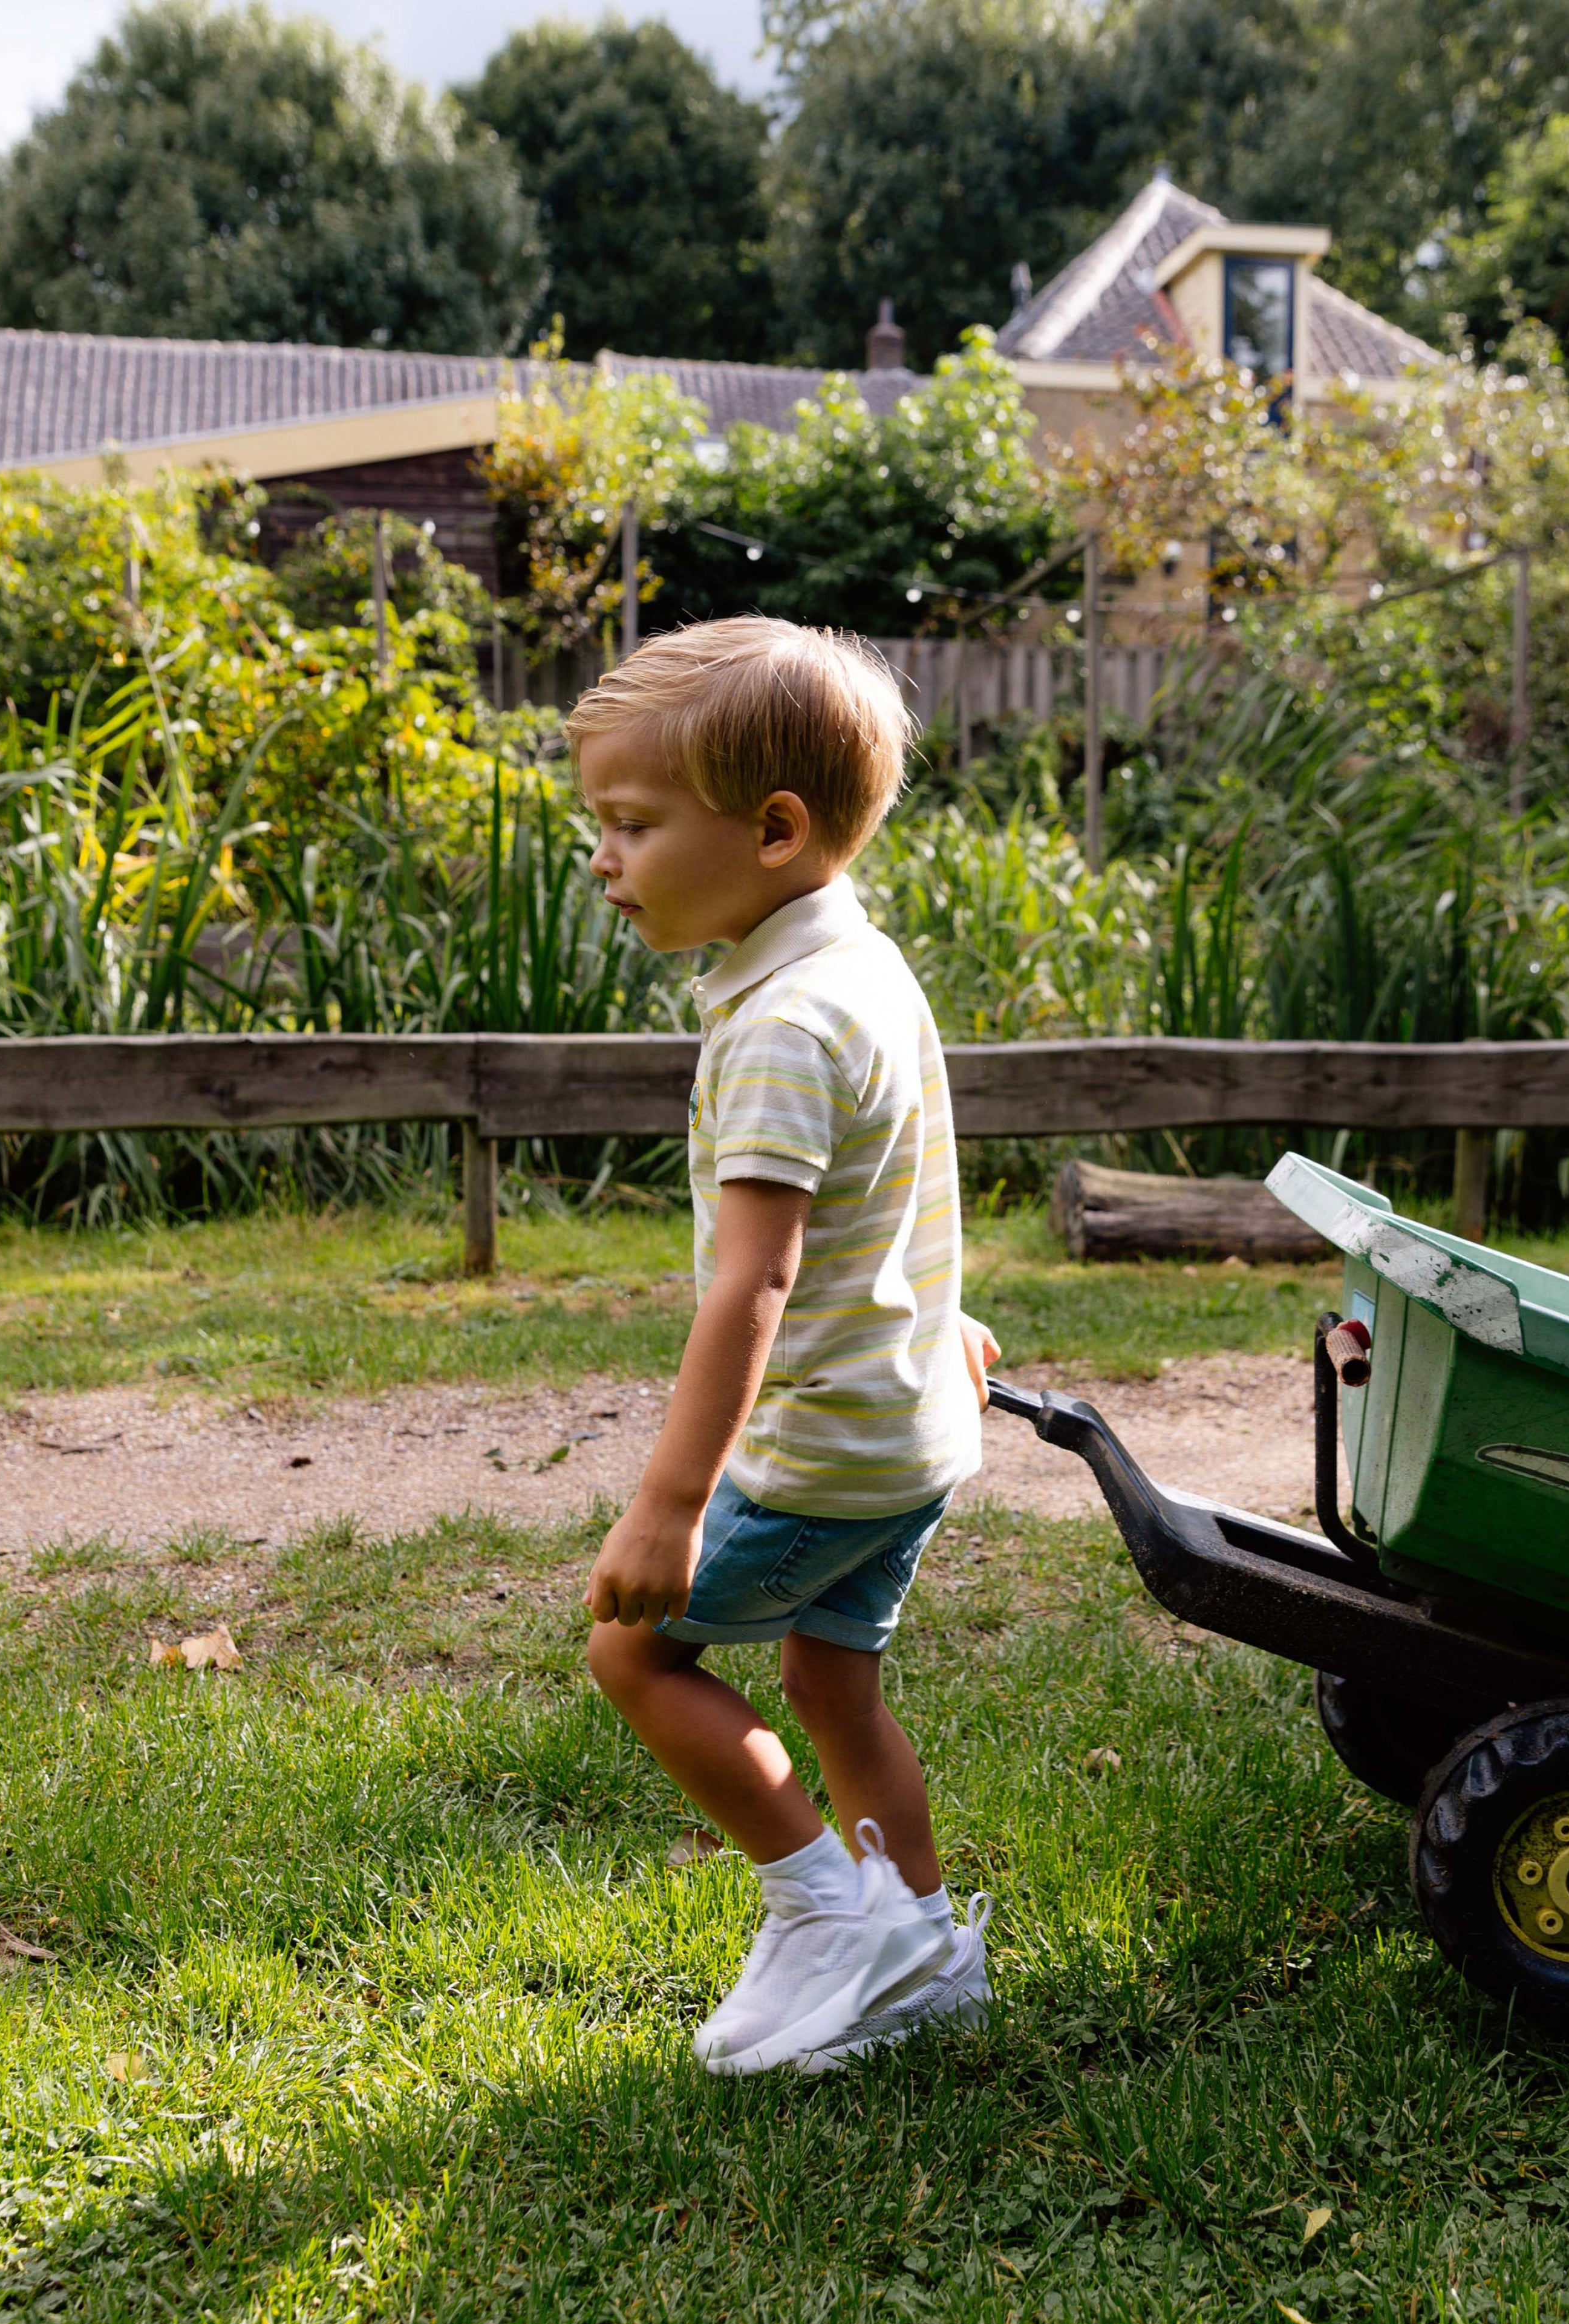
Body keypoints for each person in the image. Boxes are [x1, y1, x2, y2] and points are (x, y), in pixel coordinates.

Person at [572, 616, 1000, 2077]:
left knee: (634, 1656)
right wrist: (941, 1325)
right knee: (833, 1685)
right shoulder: (861, 965)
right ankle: (926, 1945)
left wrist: (673, 1501)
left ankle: (824, 1908)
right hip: (910, 1430)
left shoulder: (782, 1023)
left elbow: (752, 1287)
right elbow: (910, 1174)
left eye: (631, 824)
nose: (604, 859)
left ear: (773, 828)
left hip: (821, 1450)